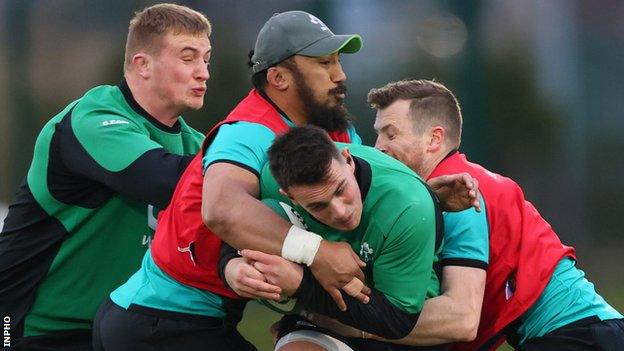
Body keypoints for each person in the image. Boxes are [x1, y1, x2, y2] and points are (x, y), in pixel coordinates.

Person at [92, 11, 367, 351]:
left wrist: (431, 194)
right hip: (159, 322)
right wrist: (317, 253)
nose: (339, 75)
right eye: (324, 63)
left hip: (181, 320)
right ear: (279, 78)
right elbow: (222, 210)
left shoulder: (335, 130)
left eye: (338, 61)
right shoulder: (247, 132)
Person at [315, 79, 624, 351]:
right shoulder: (426, 195)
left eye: (391, 134)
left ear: (434, 139)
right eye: (378, 134)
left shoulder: (463, 195)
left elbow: (461, 319)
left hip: (583, 336)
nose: (378, 147)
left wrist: (344, 324)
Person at [0, 4, 211, 350]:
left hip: (120, 329)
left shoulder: (195, 145)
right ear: (142, 64)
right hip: (31, 326)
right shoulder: (94, 118)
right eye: (188, 58)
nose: (203, 72)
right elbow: (160, 178)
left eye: (206, 59)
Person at [227, 125, 447, 351]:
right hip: (321, 315)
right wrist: (230, 265)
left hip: (396, 329)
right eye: (318, 206)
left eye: (341, 189)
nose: (340, 211)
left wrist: (300, 284)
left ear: (348, 160)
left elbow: (397, 322)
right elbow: (234, 228)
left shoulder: (408, 207)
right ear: (289, 195)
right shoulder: (274, 182)